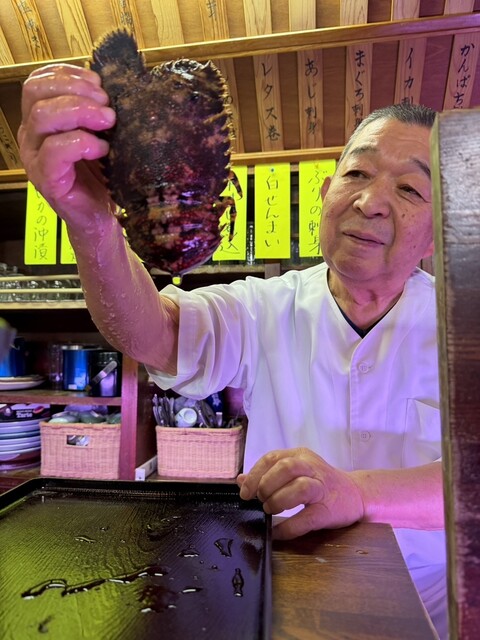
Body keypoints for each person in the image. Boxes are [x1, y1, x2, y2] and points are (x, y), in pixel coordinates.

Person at [18, 65, 446, 638]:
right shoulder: (265, 305)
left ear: (440, 226)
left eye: (410, 189)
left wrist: (358, 492)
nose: (370, 202)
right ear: (326, 193)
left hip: (429, 608)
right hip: (277, 591)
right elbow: (155, 335)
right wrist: (91, 222)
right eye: (358, 173)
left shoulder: (462, 324)